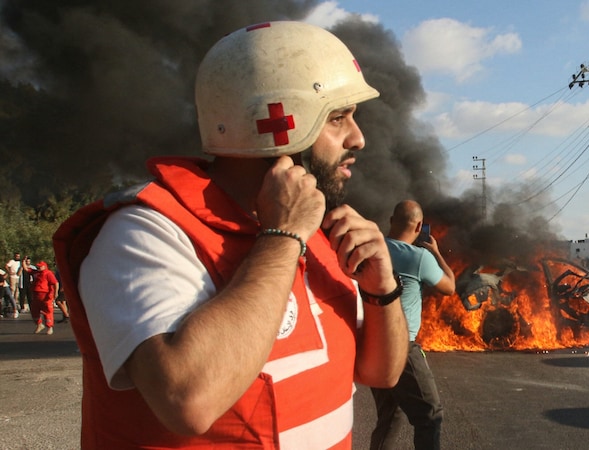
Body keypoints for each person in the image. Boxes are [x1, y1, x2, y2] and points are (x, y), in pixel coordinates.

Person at [53, 21, 408, 449]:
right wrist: (282, 236)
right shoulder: (145, 233)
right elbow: (187, 401)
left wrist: (382, 289)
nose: (359, 138)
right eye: (337, 119)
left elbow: (381, 374)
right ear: (272, 127)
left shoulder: (320, 231)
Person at [370, 200, 455, 450]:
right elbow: (449, 286)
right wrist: (436, 252)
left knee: (389, 418)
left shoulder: (371, 248)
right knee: (430, 415)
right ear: (419, 226)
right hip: (401, 347)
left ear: (390, 220)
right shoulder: (419, 258)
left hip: (373, 345)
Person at [30, 261, 59, 335]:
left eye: (40, 266)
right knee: (34, 311)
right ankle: (39, 325)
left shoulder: (48, 273)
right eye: (38, 266)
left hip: (46, 296)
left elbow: (56, 283)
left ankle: (50, 327)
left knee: (47, 312)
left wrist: (55, 293)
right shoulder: (36, 273)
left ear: (44, 266)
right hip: (36, 295)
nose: (38, 267)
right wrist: (23, 261)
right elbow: (26, 269)